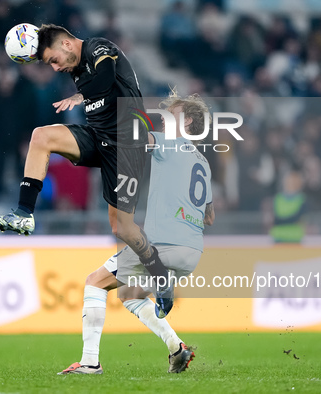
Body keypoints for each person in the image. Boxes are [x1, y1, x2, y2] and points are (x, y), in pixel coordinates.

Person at [0, 24, 175, 316]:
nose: (55, 67)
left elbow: (107, 76)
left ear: (67, 45)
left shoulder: (99, 47)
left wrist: (79, 96)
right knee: (41, 136)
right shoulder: (72, 66)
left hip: (127, 145)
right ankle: (24, 214)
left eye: (53, 60)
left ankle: (161, 275)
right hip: (98, 137)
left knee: (121, 227)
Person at [58, 92, 214, 375]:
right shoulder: (203, 162)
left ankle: (90, 362)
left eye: (173, 114)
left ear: (189, 120)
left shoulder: (168, 142)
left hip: (162, 244)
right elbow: (210, 215)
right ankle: (176, 347)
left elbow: (138, 139)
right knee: (129, 294)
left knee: (94, 283)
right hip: (192, 251)